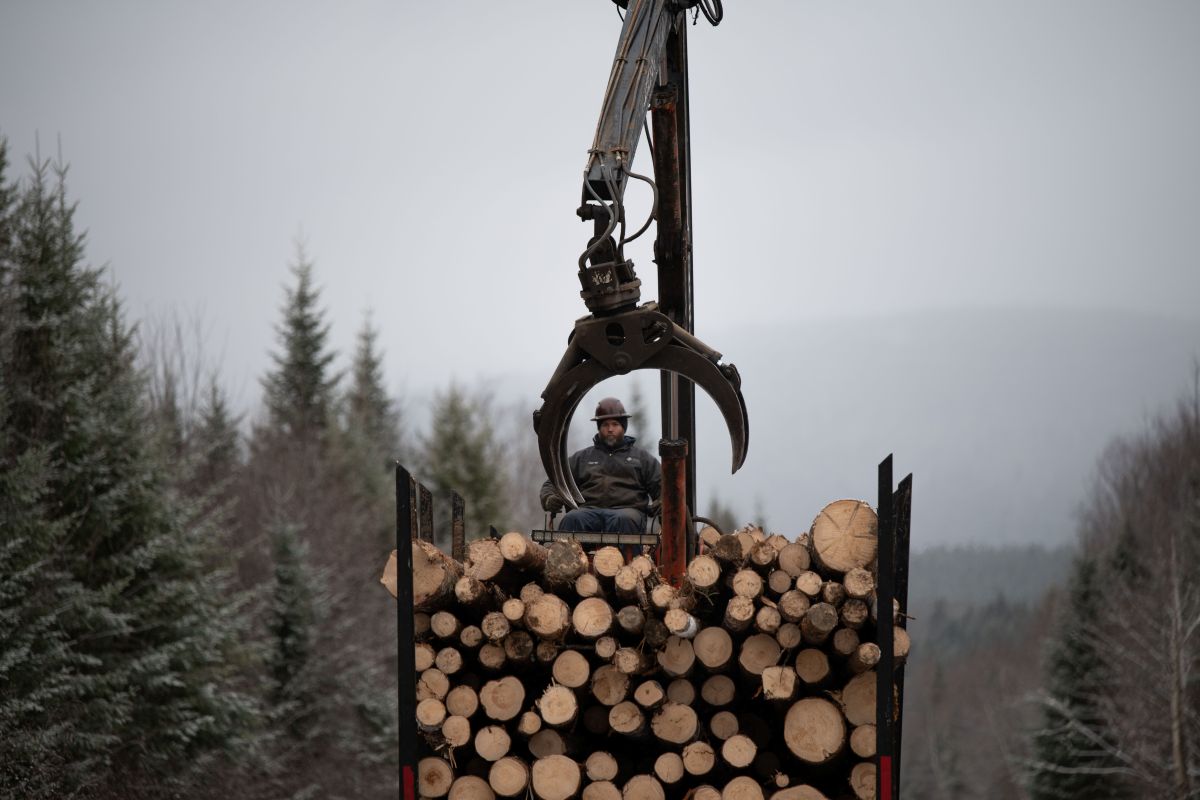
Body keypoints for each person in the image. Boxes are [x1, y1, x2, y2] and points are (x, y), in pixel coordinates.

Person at [539, 397, 661, 534]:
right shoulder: (582, 458)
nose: (610, 429)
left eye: (615, 424)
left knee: (623, 520)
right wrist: (549, 498)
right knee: (572, 518)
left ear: (624, 427)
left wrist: (663, 501)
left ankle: (624, 550)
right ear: (599, 428)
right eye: (605, 425)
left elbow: (663, 485)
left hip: (627, 512)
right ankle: (567, 549)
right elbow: (554, 482)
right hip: (588, 511)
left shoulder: (642, 459)